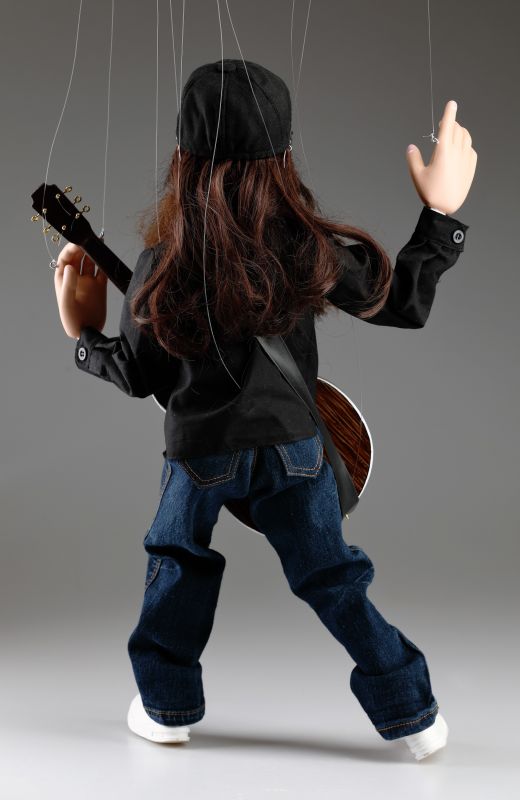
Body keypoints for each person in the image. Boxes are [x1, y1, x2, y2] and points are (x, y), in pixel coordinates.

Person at [54, 59, 477, 760]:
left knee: (176, 562)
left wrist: (84, 334)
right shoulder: (306, 249)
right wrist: (439, 216)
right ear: (282, 159)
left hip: (201, 452)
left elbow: (137, 374)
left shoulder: (162, 263)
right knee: (334, 578)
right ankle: (414, 714)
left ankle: (165, 707)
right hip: (296, 448)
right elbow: (402, 302)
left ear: (183, 159)